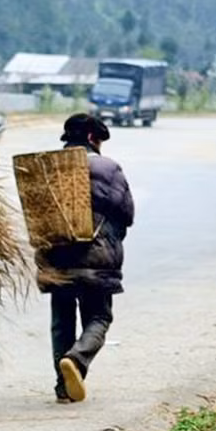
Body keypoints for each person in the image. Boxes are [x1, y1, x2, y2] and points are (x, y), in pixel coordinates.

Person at [38, 113, 135, 404]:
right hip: (98, 257)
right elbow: (127, 214)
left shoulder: (45, 168)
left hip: (56, 256)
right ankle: (77, 360)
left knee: (62, 321)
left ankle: (63, 387)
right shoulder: (108, 168)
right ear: (93, 139)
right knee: (99, 316)